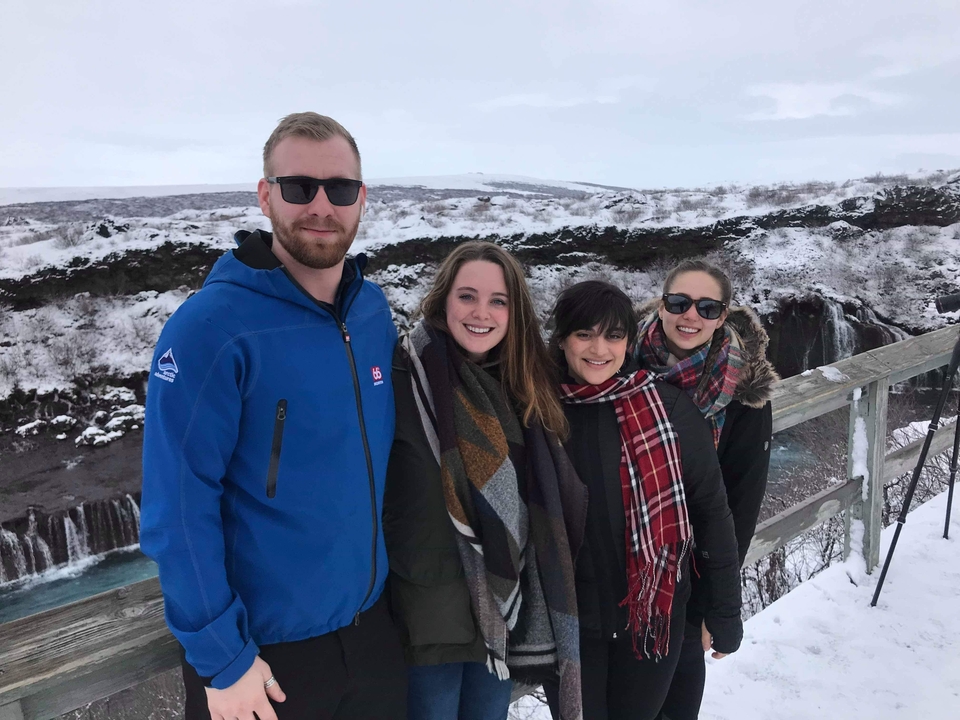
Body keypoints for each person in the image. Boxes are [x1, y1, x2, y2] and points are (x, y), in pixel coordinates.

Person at [141, 112, 405, 720]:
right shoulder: (211, 327)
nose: (320, 205)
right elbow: (177, 506)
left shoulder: (371, 313)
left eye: (339, 189)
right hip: (265, 659)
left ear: (361, 198)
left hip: (374, 636)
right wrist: (221, 657)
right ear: (265, 195)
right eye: (297, 187)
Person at [383, 241, 587, 720]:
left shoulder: (522, 385)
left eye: (498, 301)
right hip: (427, 612)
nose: (482, 313)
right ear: (443, 300)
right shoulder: (404, 374)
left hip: (501, 614)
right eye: (467, 296)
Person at [545, 280, 743, 720]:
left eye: (614, 335)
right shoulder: (537, 411)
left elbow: (712, 511)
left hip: (654, 622)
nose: (600, 348)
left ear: (629, 342)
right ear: (562, 340)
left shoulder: (667, 408)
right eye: (584, 334)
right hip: (570, 625)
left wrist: (725, 610)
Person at [635, 259, 778, 720]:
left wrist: (712, 606)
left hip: (688, 579)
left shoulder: (743, 395)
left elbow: (738, 506)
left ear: (723, 313)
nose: (690, 315)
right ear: (661, 305)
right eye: (678, 302)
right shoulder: (615, 360)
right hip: (619, 571)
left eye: (706, 306)